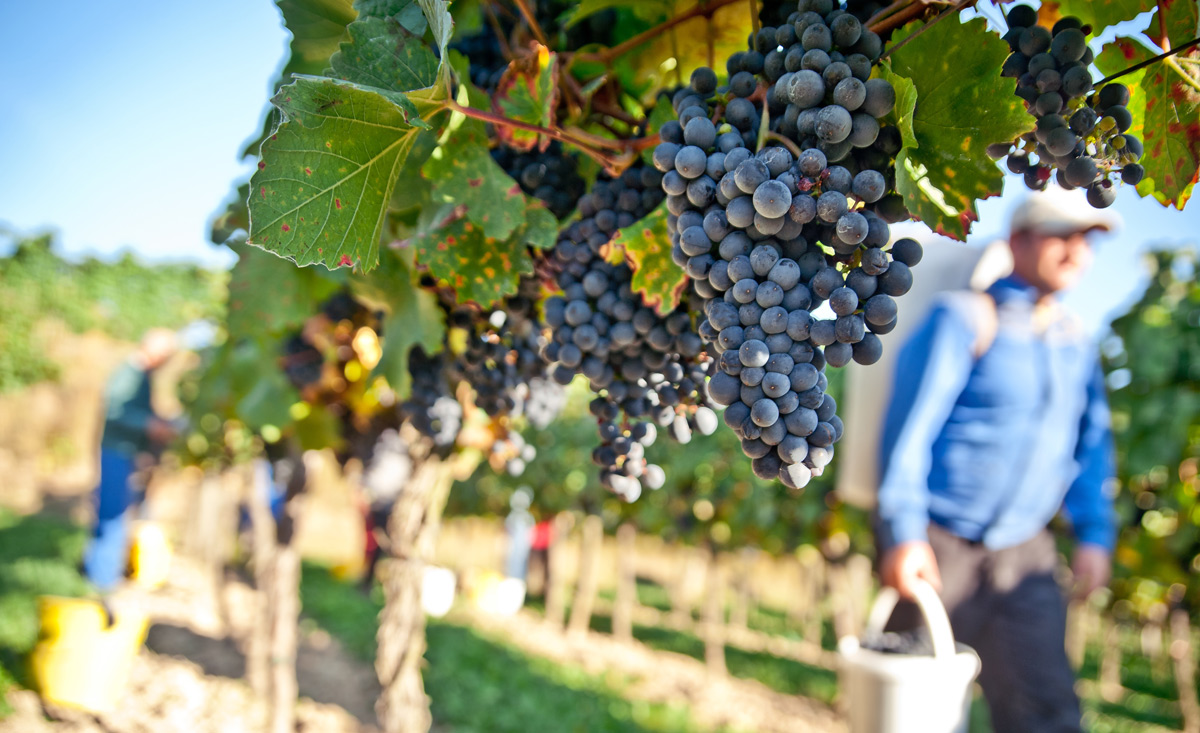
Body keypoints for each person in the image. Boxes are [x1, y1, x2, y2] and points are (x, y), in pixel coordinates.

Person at [876, 187, 1119, 732]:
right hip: (938, 548)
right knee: (914, 715)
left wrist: (1095, 535)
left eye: (1087, 240)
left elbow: (1092, 448)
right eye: (1061, 235)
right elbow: (908, 431)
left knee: (1047, 714)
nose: (1076, 251)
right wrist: (902, 530)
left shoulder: (1077, 344)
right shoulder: (963, 318)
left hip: (1026, 555)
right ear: (1018, 241)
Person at [83, 328, 178, 593]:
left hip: (125, 451)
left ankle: (104, 576)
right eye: (168, 355)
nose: (168, 361)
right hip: (117, 451)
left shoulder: (142, 376)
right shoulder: (130, 373)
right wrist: (151, 425)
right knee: (112, 514)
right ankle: (101, 582)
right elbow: (116, 410)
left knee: (118, 512)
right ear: (156, 351)